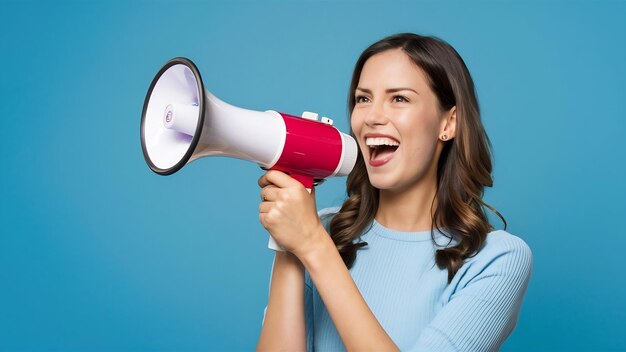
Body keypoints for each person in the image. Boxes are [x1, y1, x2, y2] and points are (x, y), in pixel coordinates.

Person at [256, 33, 532, 352]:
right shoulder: (321, 231)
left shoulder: (495, 258)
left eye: (399, 98)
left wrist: (313, 246)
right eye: (363, 99)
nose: (372, 117)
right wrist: (291, 246)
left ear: (449, 122)